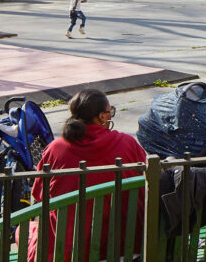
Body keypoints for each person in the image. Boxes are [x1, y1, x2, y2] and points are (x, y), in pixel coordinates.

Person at [28, 90, 146, 262]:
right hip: (127, 248)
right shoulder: (127, 144)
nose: (110, 114)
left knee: (26, 232)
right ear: (101, 117)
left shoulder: (55, 149)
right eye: (109, 111)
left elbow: (39, 195)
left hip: (68, 253)